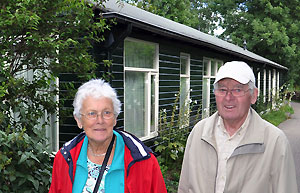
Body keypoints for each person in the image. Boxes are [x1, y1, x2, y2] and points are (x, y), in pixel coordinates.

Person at [178, 61, 298, 193]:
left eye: (237, 90)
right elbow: (184, 187)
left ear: (253, 95)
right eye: (222, 90)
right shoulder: (199, 133)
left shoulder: (274, 142)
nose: (228, 97)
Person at [49, 79, 167, 193]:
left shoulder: (142, 160)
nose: (100, 120)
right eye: (92, 113)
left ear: (115, 118)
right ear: (79, 120)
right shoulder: (65, 158)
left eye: (107, 113)